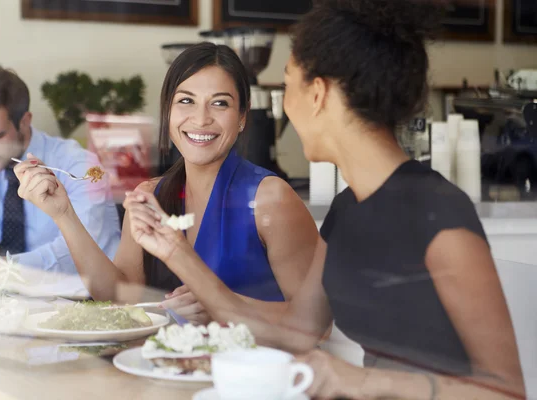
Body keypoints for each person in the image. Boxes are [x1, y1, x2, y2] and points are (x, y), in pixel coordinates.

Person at [120, 0, 526, 398]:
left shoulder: (436, 210)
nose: (285, 107)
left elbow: (505, 391)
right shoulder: (348, 209)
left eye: (287, 82)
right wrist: (177, 252)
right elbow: (298, 330)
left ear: (318, 94)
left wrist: (361, 381)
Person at [13, 43, 319, 323]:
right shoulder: (150, 195)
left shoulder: (271, 198)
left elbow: (313, 324)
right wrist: (63, 214)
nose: (201, 119)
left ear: (242, 117)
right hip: (171, 370)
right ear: (167, 110)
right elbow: (117, 296)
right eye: (186, 100)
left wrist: (217, 305)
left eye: (220, 104)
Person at [0, 66, 120, 275]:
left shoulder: (79, 166)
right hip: (23, 301)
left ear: (25, 121)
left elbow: (81, 254)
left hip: (93, 299)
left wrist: (2, 269)